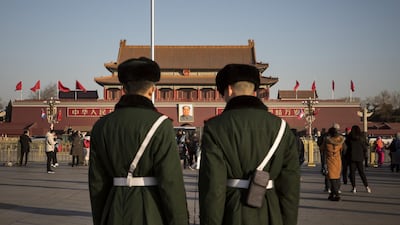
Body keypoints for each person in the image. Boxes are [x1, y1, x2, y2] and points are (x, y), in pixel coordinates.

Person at [89, 57, 189, 225]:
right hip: (150, 211)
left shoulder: (101, 125)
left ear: (123, 89)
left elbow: (97, 183)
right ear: (152, 89)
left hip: (113, 210)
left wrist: (101, 218)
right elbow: (171, 183)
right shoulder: (161, 124)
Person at [198, 63, 300, 225]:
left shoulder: (215, 127)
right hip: (270, 213)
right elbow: (290, 187)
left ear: (229, 90)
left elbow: (212, 188)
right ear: (254, 91)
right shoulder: (281, 127)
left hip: (232, 213)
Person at [320, 126, 345, 201]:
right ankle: (332, 194)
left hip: (330, 160)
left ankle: (336, 194)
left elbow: (321, 148)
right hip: (338, 160)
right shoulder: (340, 141)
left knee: (332, 178)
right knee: (337, 177)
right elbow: (344, 150)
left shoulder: (327, 141)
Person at [346, 125, 372, 193]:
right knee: (362, 173)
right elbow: (365, 148)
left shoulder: (350, 138)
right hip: (360, 158)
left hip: (352, 157)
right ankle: (367, 187)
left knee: (352, 173)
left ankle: (354, 187)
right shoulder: (361, 138)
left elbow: (347, 147)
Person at [317, 128, 330, 192]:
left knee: (327, 172)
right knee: (334, 174)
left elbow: (320, 146)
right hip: (335, 160)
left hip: (325, 157)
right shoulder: (337, 140)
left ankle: (328, 187)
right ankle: (336, 188)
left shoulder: (324, 139)